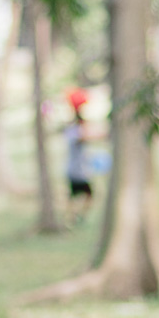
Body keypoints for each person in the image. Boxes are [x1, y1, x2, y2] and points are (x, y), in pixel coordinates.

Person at [63, 89, 93, 225]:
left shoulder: (70, 128)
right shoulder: (74, 130)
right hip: (77, 170)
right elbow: (83, 138)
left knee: (76, 196)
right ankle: (74, 216)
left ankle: (74, 216)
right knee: (85, 195)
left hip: (76, 169)